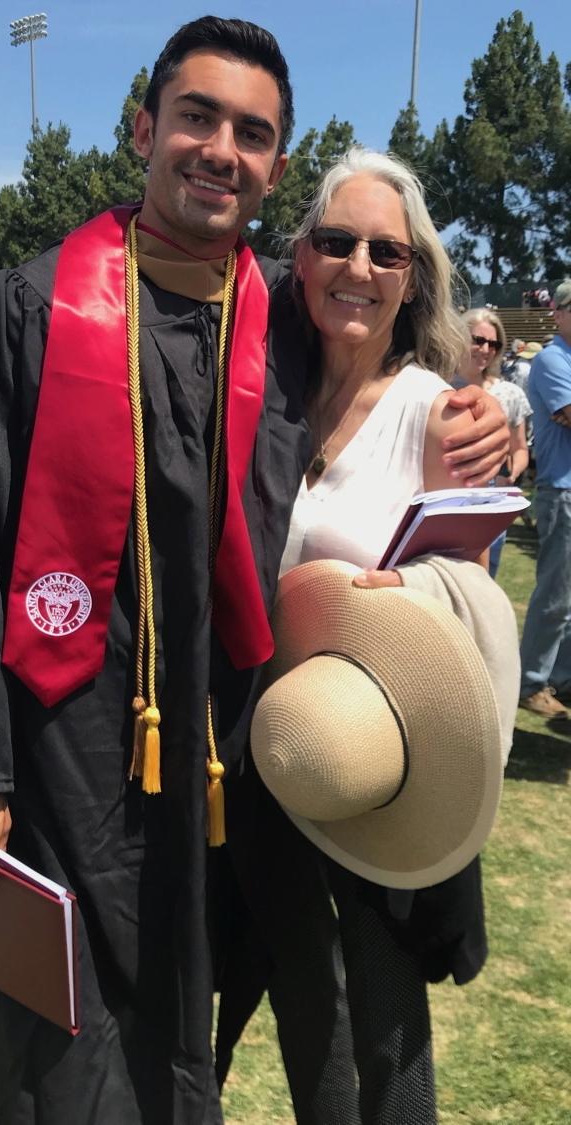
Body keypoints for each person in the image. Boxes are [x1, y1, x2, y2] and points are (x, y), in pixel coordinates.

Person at [0, 18, 509, 1125]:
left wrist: (473, 419)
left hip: (230, 754)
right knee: (70, 1044)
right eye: (197, 116)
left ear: (276, 167)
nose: (220, 148)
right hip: (64, 751)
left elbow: (378, 348)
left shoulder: (277, 308)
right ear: (145, 129)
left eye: (253, 132)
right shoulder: (26, 311)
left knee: (207, 1023)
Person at [216, 146, 517, 1125]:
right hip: (263, 749)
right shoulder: (258, 398)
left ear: (412, 277)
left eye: (386, 252)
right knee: (278, 991)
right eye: (336, 242)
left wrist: (409, 598)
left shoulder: (441, 414)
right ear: (300, 260)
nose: (359, 266)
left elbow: (471, 590)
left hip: (377, 760)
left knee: (381, 1026)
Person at [518, 279, 571, 719]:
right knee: (555, 595)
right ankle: (532, 682)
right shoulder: (553, 359)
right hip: (563, 489)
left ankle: (562, 678)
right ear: (558, 313)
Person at [457, 309, 531, 577]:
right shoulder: (435, 386)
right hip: (443, 505)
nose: (485, 349)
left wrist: (510, 472)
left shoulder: (510, 394)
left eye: (494, 344)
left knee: (485, 586)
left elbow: (520, 449)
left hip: (491, 506)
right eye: (477, 340)